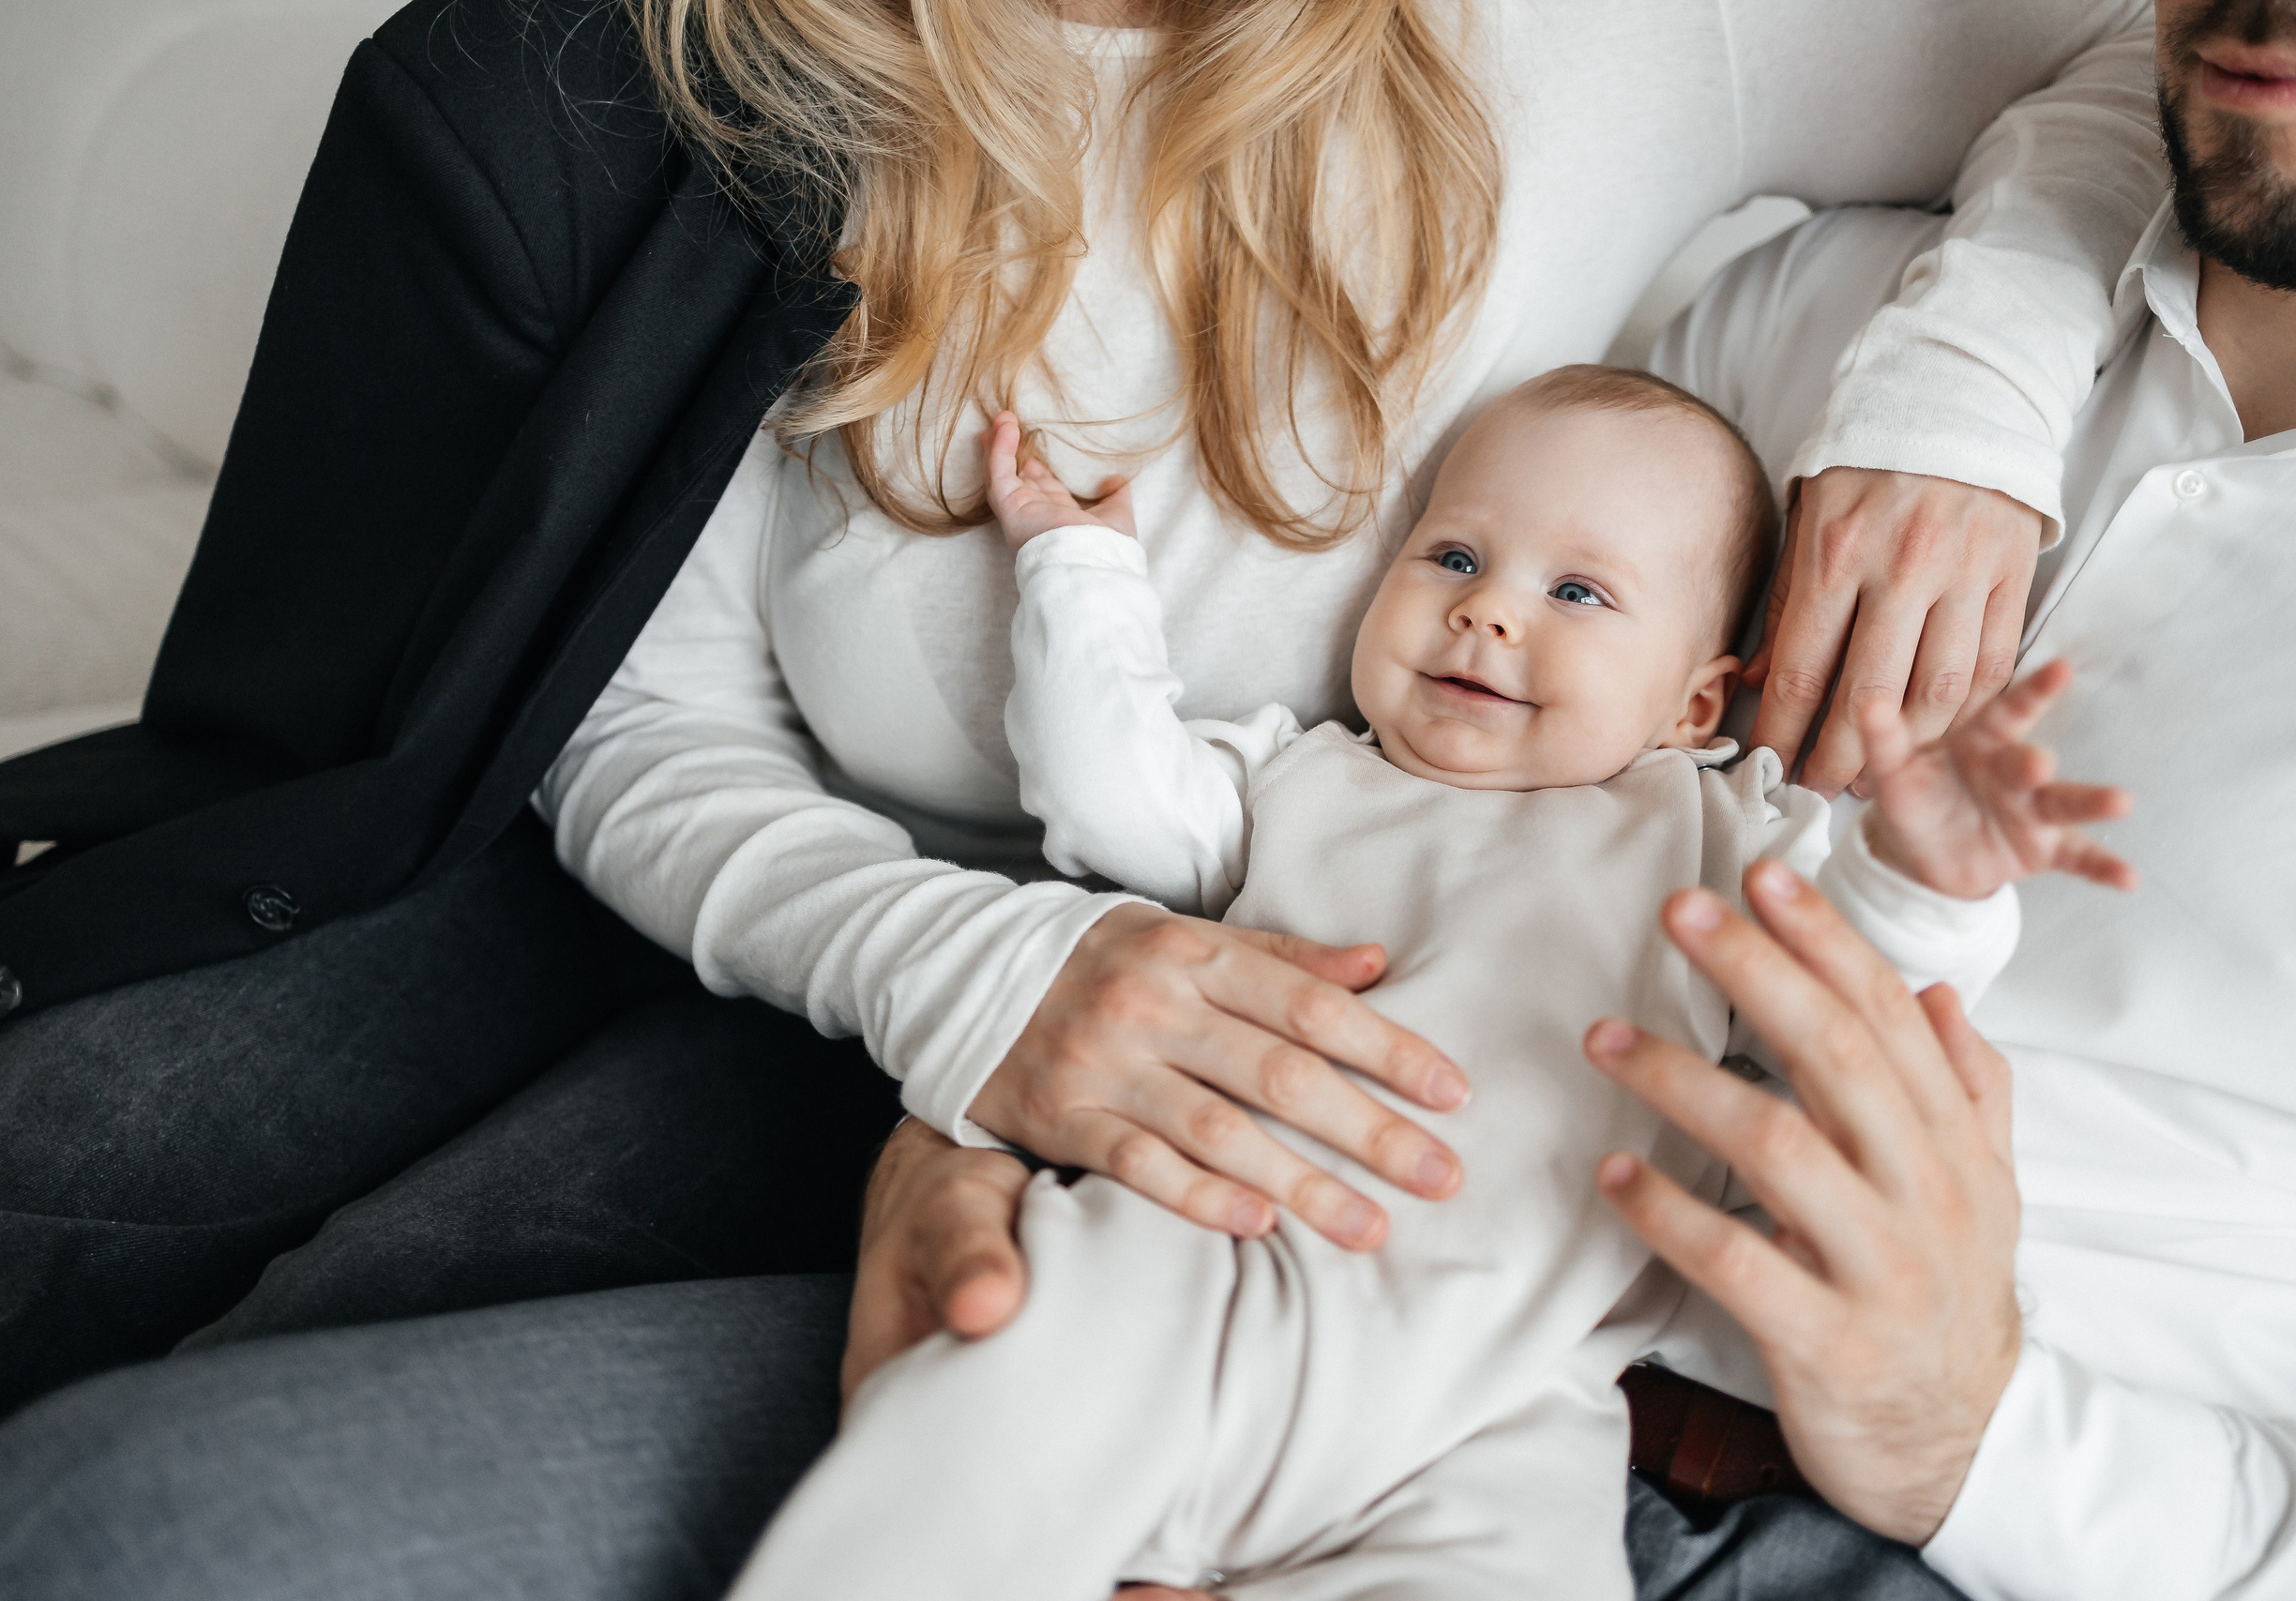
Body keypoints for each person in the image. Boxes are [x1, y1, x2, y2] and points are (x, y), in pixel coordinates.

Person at [0, 0, 2164, 1423]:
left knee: (292, 1378)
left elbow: (2114, 53)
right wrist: (975, 957)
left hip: (1210, 969)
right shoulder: (737, 64)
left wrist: (1959, 392)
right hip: (724, 887)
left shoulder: (1622, 36)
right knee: (60, 1156)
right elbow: (640, 719)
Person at [733, 372, 2121, 1600]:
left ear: (1698, 705)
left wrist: (1932, 875)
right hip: (1193, 1276)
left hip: (1505, 1404)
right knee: (960, 1462)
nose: (1487, 613)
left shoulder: (1720, 830)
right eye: (1454, 554)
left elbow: (1851, 1017)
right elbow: (1108, 801)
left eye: (1578, 593)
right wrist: (1080, 572)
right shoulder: (1301, 775)